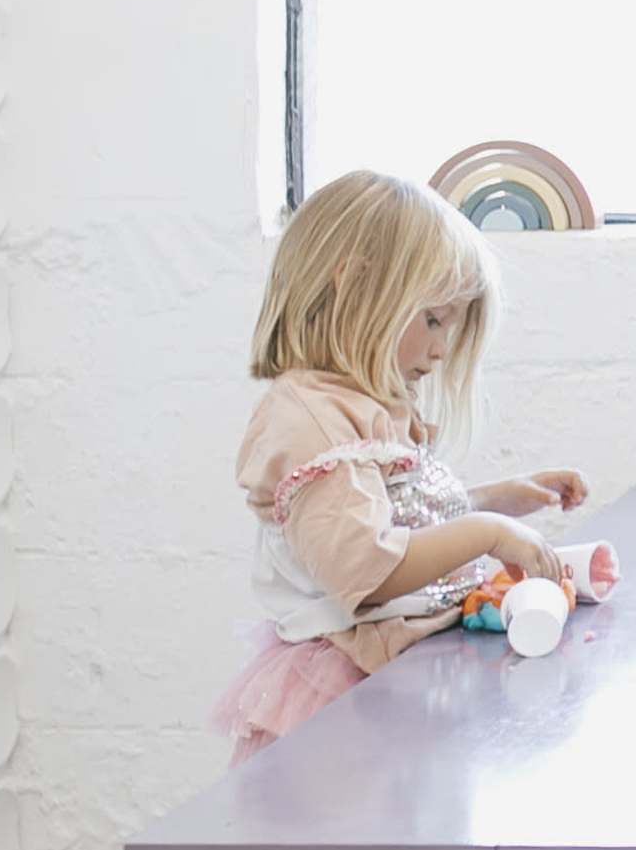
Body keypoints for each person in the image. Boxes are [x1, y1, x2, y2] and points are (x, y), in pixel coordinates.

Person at [215, 170, 585, 759]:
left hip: (388, 673)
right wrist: (488, 534)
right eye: (433, 321)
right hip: (338, 698)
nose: (441, 350)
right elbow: (370, 569)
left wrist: (494, 499)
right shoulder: (313, 422)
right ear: (355, 289)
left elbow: (395, 516)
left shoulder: (360, 407)